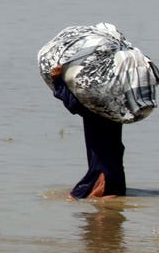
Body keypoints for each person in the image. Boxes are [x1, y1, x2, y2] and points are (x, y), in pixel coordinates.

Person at [50, 64, 125, 200]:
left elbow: (74, 106)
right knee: (110, 202)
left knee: (76, 198)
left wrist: (58, 81)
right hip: (114, 167)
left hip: (102, 168)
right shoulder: (116, 99)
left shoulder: (97, 100)